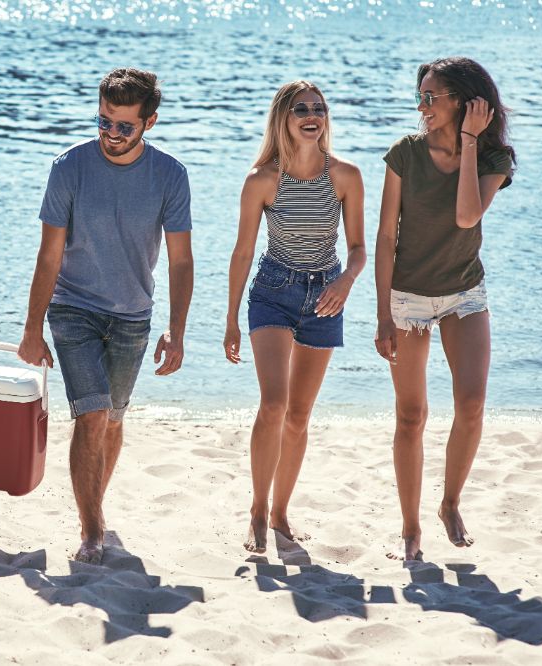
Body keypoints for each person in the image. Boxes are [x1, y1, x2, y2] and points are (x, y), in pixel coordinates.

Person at [18, 68, 194, 564]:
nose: (111, 135)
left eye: (124, 127)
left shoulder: (170, 175)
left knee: (113, 419)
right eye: (103, 122)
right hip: (73, 307)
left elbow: (181, 260)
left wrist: (176, 331)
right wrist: (32, 329)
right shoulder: (69, 167)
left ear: (149, 123)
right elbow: (49, 255)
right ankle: (91, 528)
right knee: (91, 414)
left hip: (133, 315)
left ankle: (93, 505)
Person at [374, 57, 515, 561]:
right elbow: (386, 237)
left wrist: (472, 142)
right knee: (411, 416)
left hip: (463, 292)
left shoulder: (494, 158)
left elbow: (465, 216)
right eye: (422, 96)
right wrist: (383, 314)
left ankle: (449, 502)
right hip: (408, 295)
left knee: (472, 406)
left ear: (466, 102)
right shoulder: (404, 155)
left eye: (433, 97)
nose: (423, 106)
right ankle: (410, 527)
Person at [223, 81, 366, 555]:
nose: (312, 115)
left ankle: (282, 511)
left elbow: (360, 249)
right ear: (282, 119)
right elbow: (243, 251)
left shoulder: (346, 176)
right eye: (301, 109)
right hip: (273, 293)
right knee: (274, 405)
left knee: (300, 417)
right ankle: (258, 510)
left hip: (326, 296)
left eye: (319, 108)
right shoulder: (262, 179)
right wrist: (229, 319)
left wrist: (345, 281)